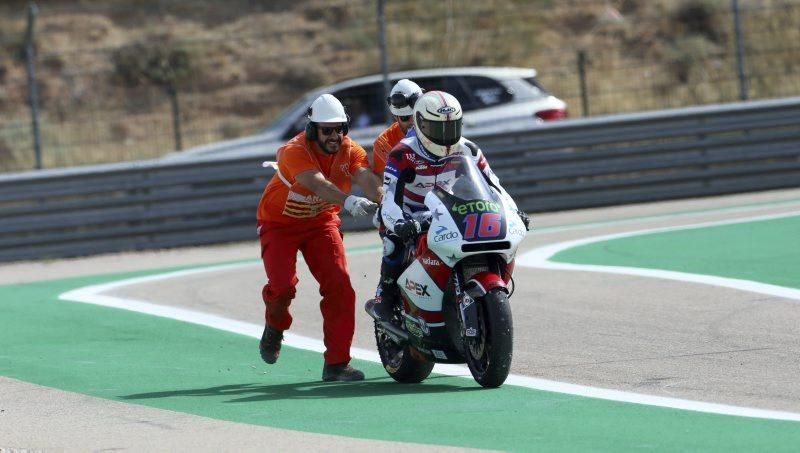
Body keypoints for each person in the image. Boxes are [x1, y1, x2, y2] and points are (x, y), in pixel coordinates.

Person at [365, 91, 530, 321]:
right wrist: (400, 222)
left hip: (448, 209)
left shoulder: (468, 149)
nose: (446, 136)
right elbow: (390, 198)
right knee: (394, 246)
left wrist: (512, 211)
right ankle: (385, 295)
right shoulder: (402, 153)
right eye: (438, 128)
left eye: (451, 127)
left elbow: (495, 186)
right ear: (420, 123)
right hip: (409, 214)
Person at [257, 93, 381, 381]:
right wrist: (349, 202)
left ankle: (337, 363)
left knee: (340, 286)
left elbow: (366, 178)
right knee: (283, 287)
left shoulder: (349, 150)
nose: (335, 136)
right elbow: (316, 184)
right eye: (327, 130)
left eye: (340, 129)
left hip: (321, 223)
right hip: (279, 225)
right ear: (313, 129)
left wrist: (384, 201)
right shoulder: (294, 151)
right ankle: (275, 326)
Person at [372, 79, 424, 176]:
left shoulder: (437, 127)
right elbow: (384, 182)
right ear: (395, 116)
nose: (412, 121)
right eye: (405, 117)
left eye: (416, 116)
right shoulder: (383, 142)